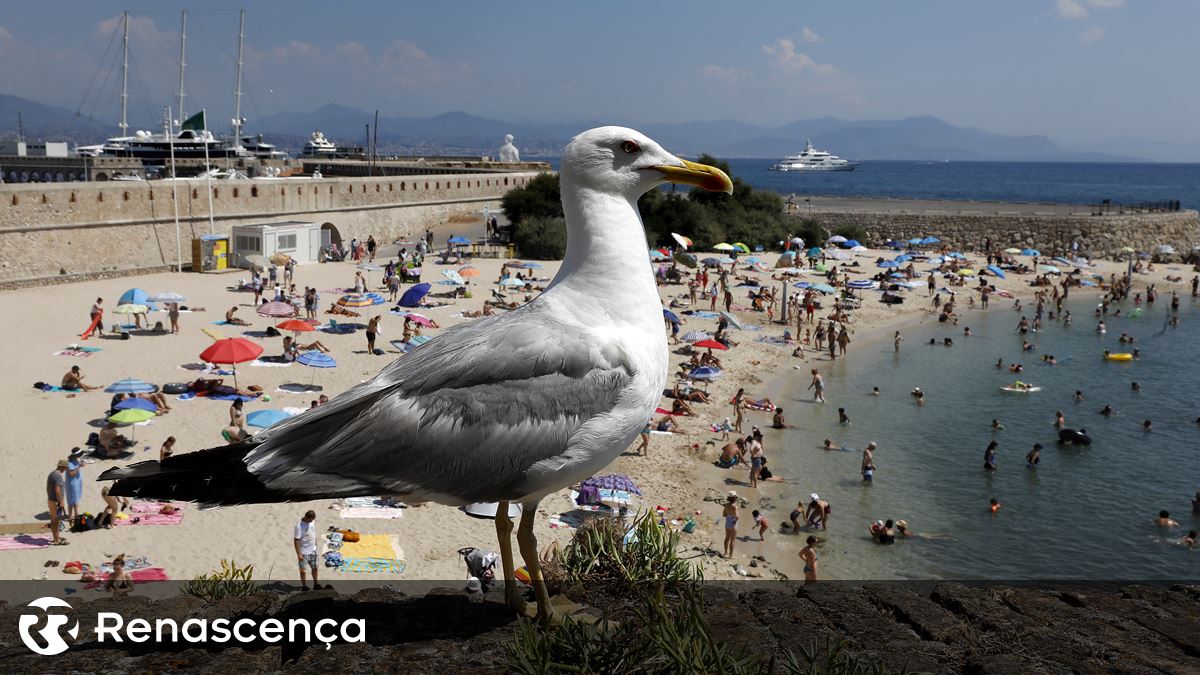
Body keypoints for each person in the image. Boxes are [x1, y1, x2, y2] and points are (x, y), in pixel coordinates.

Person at [295, 510, 323, 590]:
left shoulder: (312, 522)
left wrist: (315, 543)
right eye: (310, 520)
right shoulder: (299, 526)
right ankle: (304, 586)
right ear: (307, 517)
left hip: (312, 551)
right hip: (303, 553)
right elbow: (296, 540)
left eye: (312, 520)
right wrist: (299, 554)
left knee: (315, 568)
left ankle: (316, 584)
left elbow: (313, 532)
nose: (311, 521)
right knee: (303, 571)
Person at [46, 459, 68, 545]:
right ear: (62, 467)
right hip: (55, 501)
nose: (66, 469)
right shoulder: (58, 476)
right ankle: (56, 540)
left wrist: (50, 496)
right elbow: (58, 489)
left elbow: (47, 488)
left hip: (51, 500)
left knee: (54, 520)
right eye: (65, 467)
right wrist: (61, 501)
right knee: (56, 521)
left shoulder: (51, 474)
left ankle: (56, 537)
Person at [65, 450, 83, 521]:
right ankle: (74, 516)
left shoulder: (75, 460)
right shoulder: (70, 463)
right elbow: (71, 474)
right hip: (72, 485)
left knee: (75, 501)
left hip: (76, 484)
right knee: (73, 502)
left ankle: (73, 516)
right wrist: (79, 467)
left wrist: (80, 465)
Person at [722, 493, 739, 558]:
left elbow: (724, 515)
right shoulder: (735, 506)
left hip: (727, 523)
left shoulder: (726, 505)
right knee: (733, 540)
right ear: (734, 498)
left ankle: (725, 552)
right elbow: (737, 517)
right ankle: (730, 556)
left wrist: (729, 514)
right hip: (733, 524)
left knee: (727, 538)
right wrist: (734, 521)